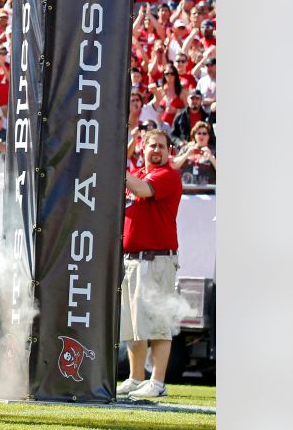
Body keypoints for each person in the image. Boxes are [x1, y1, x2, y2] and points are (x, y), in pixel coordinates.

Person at [118, 129, 183, 400]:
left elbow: (142, 190)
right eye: (152, 146)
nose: (156, 150)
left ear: (169, 152)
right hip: (133, 259)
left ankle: (158, 382)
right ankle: (136, 378)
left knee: (157, 322)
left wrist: (114, 165)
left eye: (161, 147)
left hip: (157, 259)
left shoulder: (167, 175)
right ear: (142, 149)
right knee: (133, 325)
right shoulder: (140, 175)